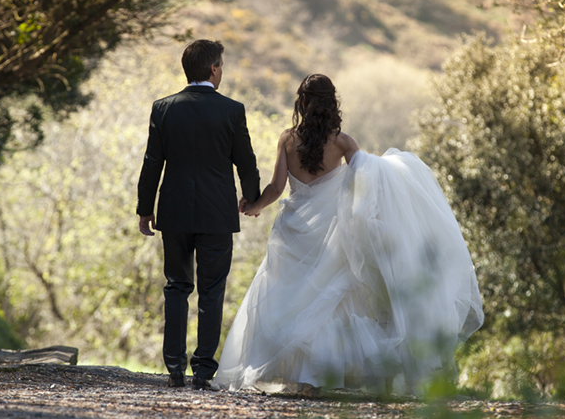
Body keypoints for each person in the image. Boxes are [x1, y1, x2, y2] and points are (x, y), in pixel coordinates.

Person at [216, 74, 483, 393]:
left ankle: (302, 376)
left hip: (295, 230)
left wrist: (254, 205)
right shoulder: (342, 141)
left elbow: (275, 187)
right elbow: (369, 180)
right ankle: (332, 375)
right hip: (333, 232)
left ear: (302, 102)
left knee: (291, 295)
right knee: (335, 299)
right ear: (331, 104)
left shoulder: (287, 139)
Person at [136, 40, 261, 390]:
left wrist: (145, 209)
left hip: (173, 210)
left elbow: (152, 164)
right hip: (217, 213)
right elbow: (246, 162)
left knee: (176, 286)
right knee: (211, 290)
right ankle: (203, 370)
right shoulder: (232, 110)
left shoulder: (163, 108)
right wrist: (251, 199)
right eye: (222, 65)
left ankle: (174, 367)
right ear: (213, 69)